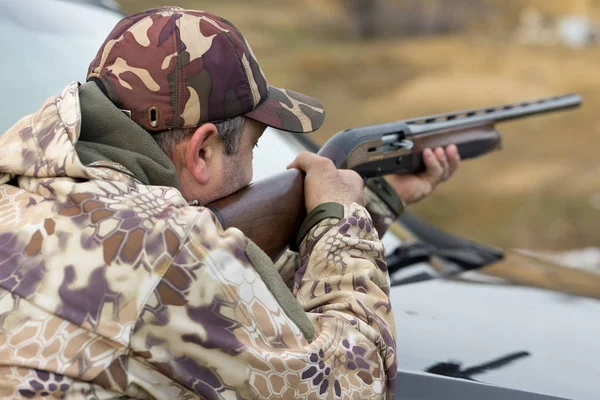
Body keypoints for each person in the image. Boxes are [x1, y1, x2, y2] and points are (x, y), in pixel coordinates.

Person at [0, 6, 459, 399]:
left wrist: (373, 199)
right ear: (202, 152)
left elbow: (229, 294)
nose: (255, 166)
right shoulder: (169, 246)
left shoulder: (22, 192)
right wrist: (345, 226)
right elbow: (351, 384)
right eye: (253, 148)